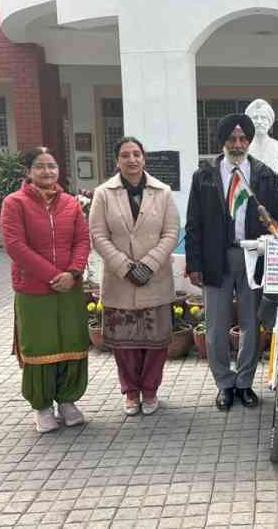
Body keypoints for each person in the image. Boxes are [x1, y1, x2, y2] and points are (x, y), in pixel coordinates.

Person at [185, 114, 278, 411]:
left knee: (251, 324)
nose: (238, 144)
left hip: (253, 258)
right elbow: (193, 224)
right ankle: (224, 384)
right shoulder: (204, 175)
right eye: (232, 139)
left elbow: (277, 222)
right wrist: (194, 264)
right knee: (215, 327)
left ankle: (244, 383)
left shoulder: (264, 174)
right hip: (216, 258)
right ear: (222, 142)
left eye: (243, 139)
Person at [0, 147, 90, 433]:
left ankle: (67, 401)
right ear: (28, 171)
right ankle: (41, 406)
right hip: (34, 289)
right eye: (40, 166)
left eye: (52, 166)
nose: (47, 171)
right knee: (40, 346)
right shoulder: (14, 203)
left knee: (71, 342)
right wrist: (54, 276)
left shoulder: (71, 204)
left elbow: (82, 240)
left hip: (69, 288)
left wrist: (73, 272)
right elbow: (15, 246)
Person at [89, 136, 180, 417]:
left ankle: (150, 390)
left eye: (136, 154)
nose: (132, 160)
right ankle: (130, 392)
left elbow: (171, 232)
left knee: (155, 342)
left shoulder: (162, 192)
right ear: (117, 160)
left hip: (155, 277)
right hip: (121, 280)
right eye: (125, 155)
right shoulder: (104, 193)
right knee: (124, 343)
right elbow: (98, 235)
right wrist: (125, 266)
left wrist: (149, 264)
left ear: (144, 158)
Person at [245, 99, 278, 175]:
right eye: (255, 118)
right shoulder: (243, 148)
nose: (259, 122)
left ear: (269, 122)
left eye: (263, 118)